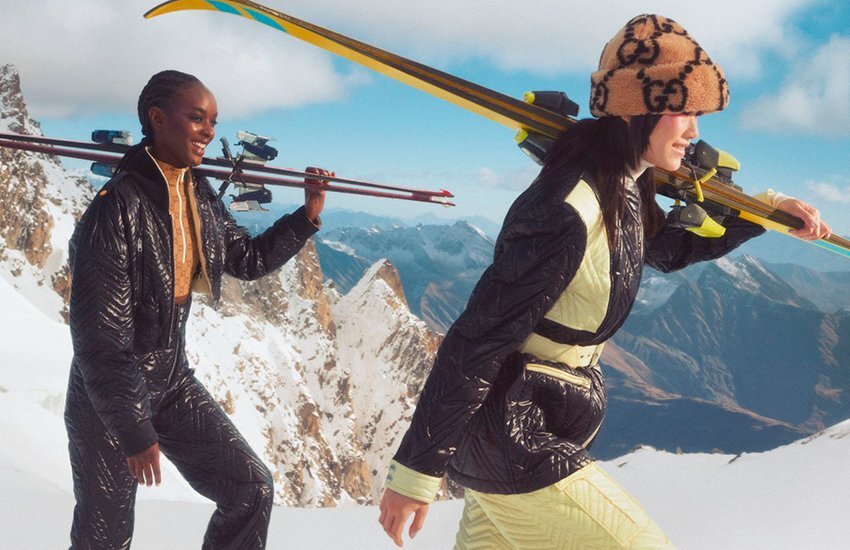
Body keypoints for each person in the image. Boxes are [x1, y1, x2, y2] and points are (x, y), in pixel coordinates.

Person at [378, 14, 831, 549]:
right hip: (513, 435)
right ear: (636, 110)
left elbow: (665, 250)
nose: (694, 132)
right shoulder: (565, 208)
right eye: (684, 111)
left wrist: (766, 210)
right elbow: (478, 339)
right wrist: (415, 472)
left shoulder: (622, 185)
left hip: (533, 423)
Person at [64, 69, 331, 549]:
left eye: (213, 121)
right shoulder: (114, 208)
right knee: (103, 539)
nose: (208, 131)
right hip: (109, 398)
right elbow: (100, 340)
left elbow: (246, 259)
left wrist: (306, 215)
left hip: (171, 380)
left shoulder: (197, 190)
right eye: (196, 118)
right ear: (158, 118)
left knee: (250, 489)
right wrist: (134, 428)